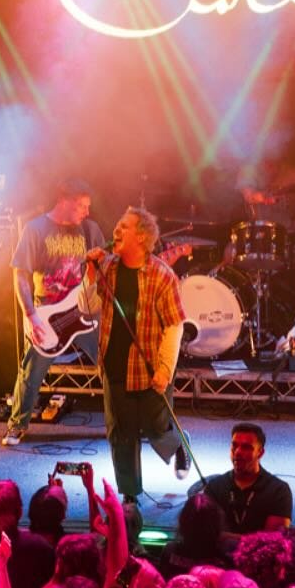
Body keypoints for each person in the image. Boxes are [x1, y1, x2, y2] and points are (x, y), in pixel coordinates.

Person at [81, 205, 189, 505]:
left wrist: (165, 369)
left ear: (141, 237)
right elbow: (87, 308)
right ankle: (130, 496)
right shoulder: (108, 268)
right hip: (114, 365)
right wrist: (91, 272)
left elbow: (174, 326)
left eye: (124, 226)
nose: (116, 230)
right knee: (121, 435)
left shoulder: (162, 276)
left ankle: (178, 445)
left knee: (156, 427)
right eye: (117, 223)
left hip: (151, 367)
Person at [2, 177, 105, 446]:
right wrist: (31, 315)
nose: (86, 212)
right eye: (81, 205)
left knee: (112, 365)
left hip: (85, 313)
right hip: (48, 316)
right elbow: (21, 275)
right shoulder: (35, 229)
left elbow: (105, 271)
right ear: (64, 201)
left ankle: (124, 422)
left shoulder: (90, 230)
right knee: (31, 371)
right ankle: (16, 425)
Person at [189, 422, 292, 533]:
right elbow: (205, 533)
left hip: (259, 551)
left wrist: (228, 539)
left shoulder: (278, 490)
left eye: (246, 447)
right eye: (234, 445)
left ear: (260, 453)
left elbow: (274, 541)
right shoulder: (215, 487)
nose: (237, 452)